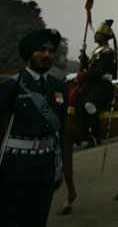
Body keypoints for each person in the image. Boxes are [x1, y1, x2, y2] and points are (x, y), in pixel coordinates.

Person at [0, 29, 68, 226]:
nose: (47, 55)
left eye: (51, 50)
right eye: (41, 50)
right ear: (29, 53)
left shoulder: (59, 87)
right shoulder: (10, 87)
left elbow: (60, 132)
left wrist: (59, 167)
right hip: (14, 171)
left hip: (45, 171)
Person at [78, 19, 118, 147]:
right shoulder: (96, 51)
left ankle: (95, 136)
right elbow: (87, 67)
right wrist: (83, 55)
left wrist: (82, 75)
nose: (94, 35)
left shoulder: (107, 52)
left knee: (89, 104)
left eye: (97, 34)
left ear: (104, 37)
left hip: (102, 84)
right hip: (92, 83)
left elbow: (99, 71)